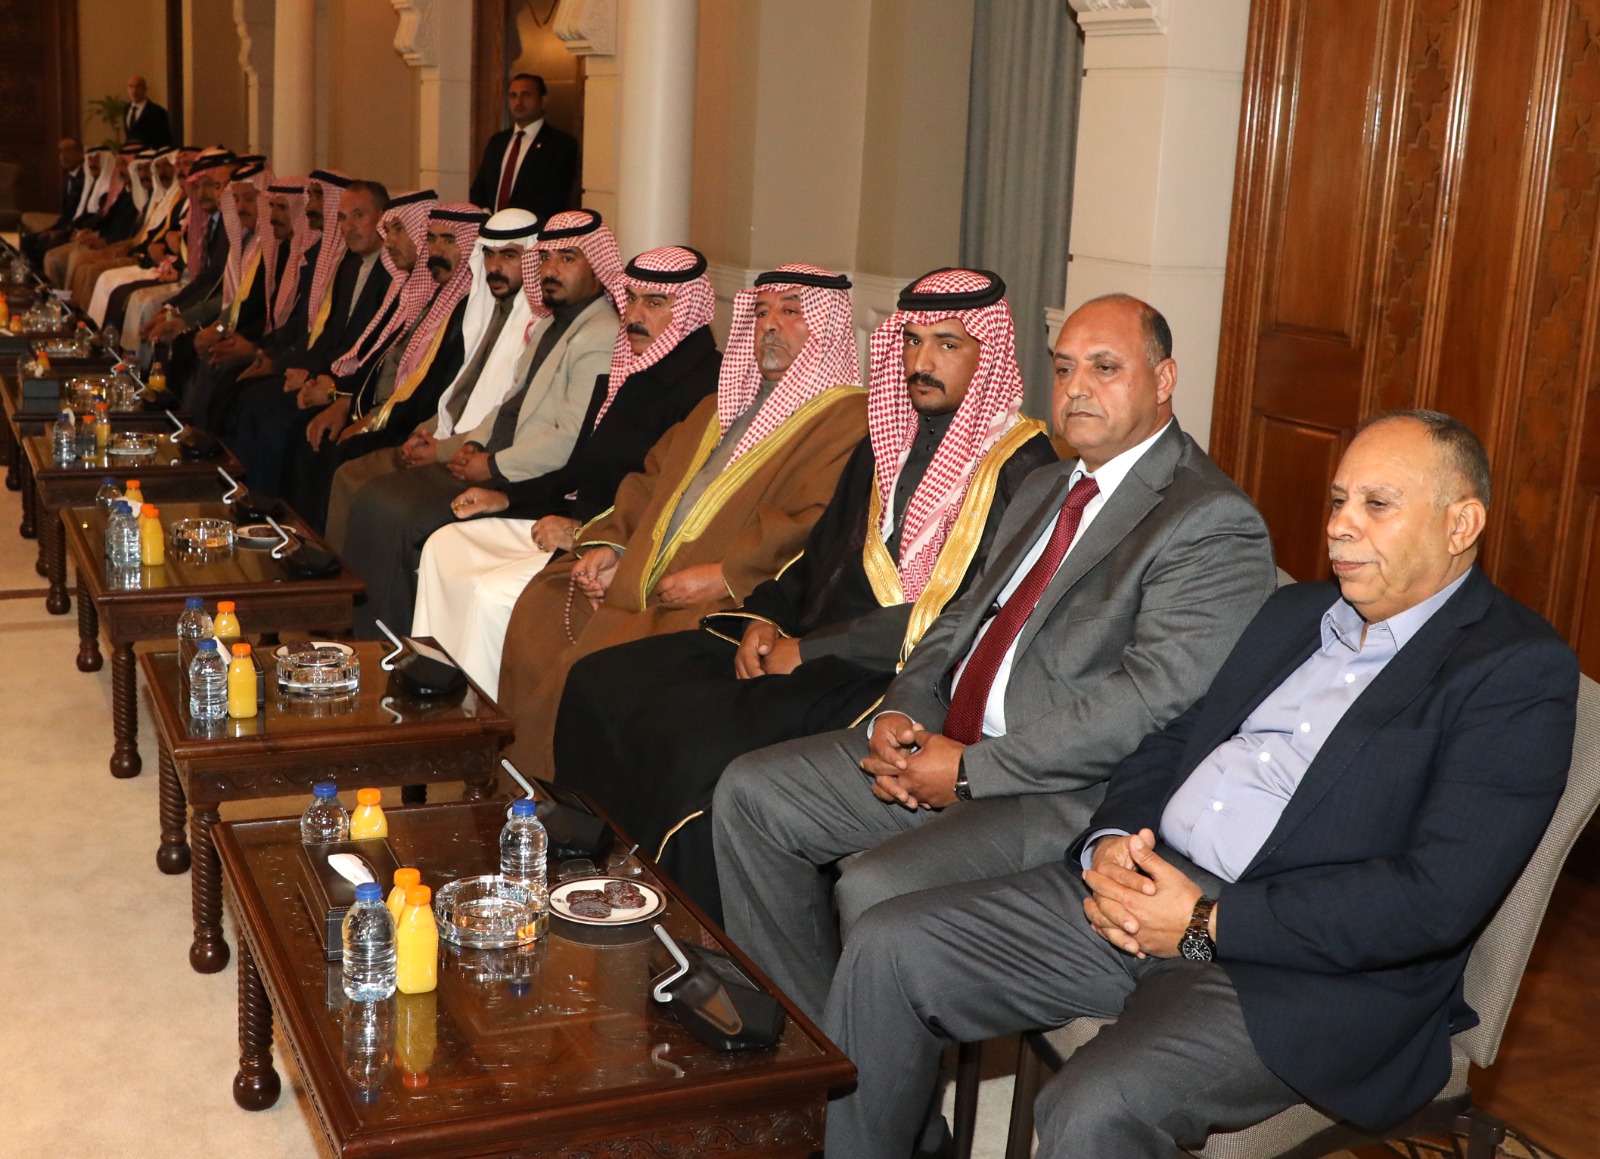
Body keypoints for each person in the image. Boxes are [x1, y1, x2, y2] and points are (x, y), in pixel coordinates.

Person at [823, 410, 1580, 1159]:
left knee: (1092, 1107)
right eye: (1338, 500)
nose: (1339, 526)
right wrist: (1110, 842)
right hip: (1147, 882)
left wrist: (1205, 922)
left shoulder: (1513, 670)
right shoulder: (1296, 611)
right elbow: (1174, 739)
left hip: (1297, 970)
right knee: (888, 948)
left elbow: (1431, 900)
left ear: (1461, 524)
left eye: (1377, 505)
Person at [713, 293, 1278, 1030]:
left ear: (1164, 379)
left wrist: (971, 771)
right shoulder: (1046, 485)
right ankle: (815, 1042)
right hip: (947, 743)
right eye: (1065, 368)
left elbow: (1148, 704)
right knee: (752, 794)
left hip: (1059, 791)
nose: (1077, 388)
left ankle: (861, 1082)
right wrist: (901, 712)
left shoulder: (1209, 519)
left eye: (1105, 368)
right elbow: (958, 617)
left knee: (873, 888)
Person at [555, 267, 1060, 919]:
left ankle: (697, 933)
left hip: (891, 674)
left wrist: (810, 650)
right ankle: (590, 871)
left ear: (987, 354)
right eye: (911, 341)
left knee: (697, 748)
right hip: (807, 643)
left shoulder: (1026, 470)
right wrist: (765, 617)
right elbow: (817, 555)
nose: (921, 362)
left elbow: (970, 616)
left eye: (947, 343)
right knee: (602, 680)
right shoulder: (886, 441)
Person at [495, 262, 870, 776]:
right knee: (540, 607)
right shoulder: (718, 406)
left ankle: (562, 796)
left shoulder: (848, 421)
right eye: (761, 312)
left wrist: (726, 575)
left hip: (725, 599)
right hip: (642, 573)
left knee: (594, 665)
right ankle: (516, 777)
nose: (770, 325)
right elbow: (648, 483)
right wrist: (612, 548)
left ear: (827, 328)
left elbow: (816, 525)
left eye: (791, 312)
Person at [414, 244, 725, 691]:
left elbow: (671, 504)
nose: (634, 315)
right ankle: (430, 685)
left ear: (690, 310)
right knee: (444, 547)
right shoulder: (631, 365)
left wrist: (585, 534)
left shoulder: (707, 390)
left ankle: (478, 716)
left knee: (491, 595)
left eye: (655, 303)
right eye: (631, 298)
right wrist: (506, 496)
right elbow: (580, 463)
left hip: (612, 547)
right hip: (572, 523)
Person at [332, 208, 624, 631]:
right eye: (545, 258)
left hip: (529, 484)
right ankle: (365, 632)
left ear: (597, 265)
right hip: (495, 462)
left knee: (405, 517)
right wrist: (474, 444)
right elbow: (509, 403)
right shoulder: (552, 325)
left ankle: (397, 641)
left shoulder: (600, 335)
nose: (550, 270)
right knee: (376, 499)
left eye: (567, 259)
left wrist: (492, 465)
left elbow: (565, 441)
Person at [321, 207, 541, 541]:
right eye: (489, 255)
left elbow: (503, 414)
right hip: (445, 438)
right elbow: (460, 390)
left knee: (378, 499)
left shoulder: (533, 325)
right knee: (346, 475)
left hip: (480, 457)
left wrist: (439, 448)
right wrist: (425, 430)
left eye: (509, 255)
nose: (495, 267)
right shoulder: (487, 309)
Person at [284, 199, 484, 532]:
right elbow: (379, 361)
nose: (436, 250)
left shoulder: (467, 311)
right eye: (431, 239)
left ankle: (323, 552)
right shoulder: (431, 294)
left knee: (336, 456)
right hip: (385, 411)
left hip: (411, 426)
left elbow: (433, 394)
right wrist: (345, 402)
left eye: (449, 240)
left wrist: (365, 419)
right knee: (307, 437)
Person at [227, 179, 394, 494]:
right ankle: (245, 499)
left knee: (278, 424)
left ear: (383, 217)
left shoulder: (393, 275)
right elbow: (330, 336)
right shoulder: (351, 266)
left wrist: (324, 384)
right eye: (342, 218)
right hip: (327, 374)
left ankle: (271, 510)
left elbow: (375, 354)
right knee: (253, 405)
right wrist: (306, 373)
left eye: (358, 215)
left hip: (354, 389)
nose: (348, 227)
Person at [469, 73, 578, 223]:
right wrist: (487, 217)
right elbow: (479, 188)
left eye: (526, 95)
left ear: (543, 101)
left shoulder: (560, 145)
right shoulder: (498, 141)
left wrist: (513, 222)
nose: (518, 101)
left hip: (532, 229)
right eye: (513, 96)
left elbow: (555, 196)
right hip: (491, 228)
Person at [19, 139, 86, 262]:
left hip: (75, 229)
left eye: (68, 151)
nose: (63, 156)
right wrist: (51, 229)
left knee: (45, 243)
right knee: (28, 241)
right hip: (65, 226)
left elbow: (81, 215)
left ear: (80, 154)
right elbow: (66, 214)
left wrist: (61, 232)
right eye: (61, 152)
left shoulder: (85, 178)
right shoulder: (69, 178)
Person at [122, 74, 173, 149]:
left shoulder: (157, 112)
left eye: (138, 86)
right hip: (130, 154)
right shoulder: (126, 109)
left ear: (145, 89)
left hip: (150, 154)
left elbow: (164, 140)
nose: (134, 91)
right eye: (131, 86)